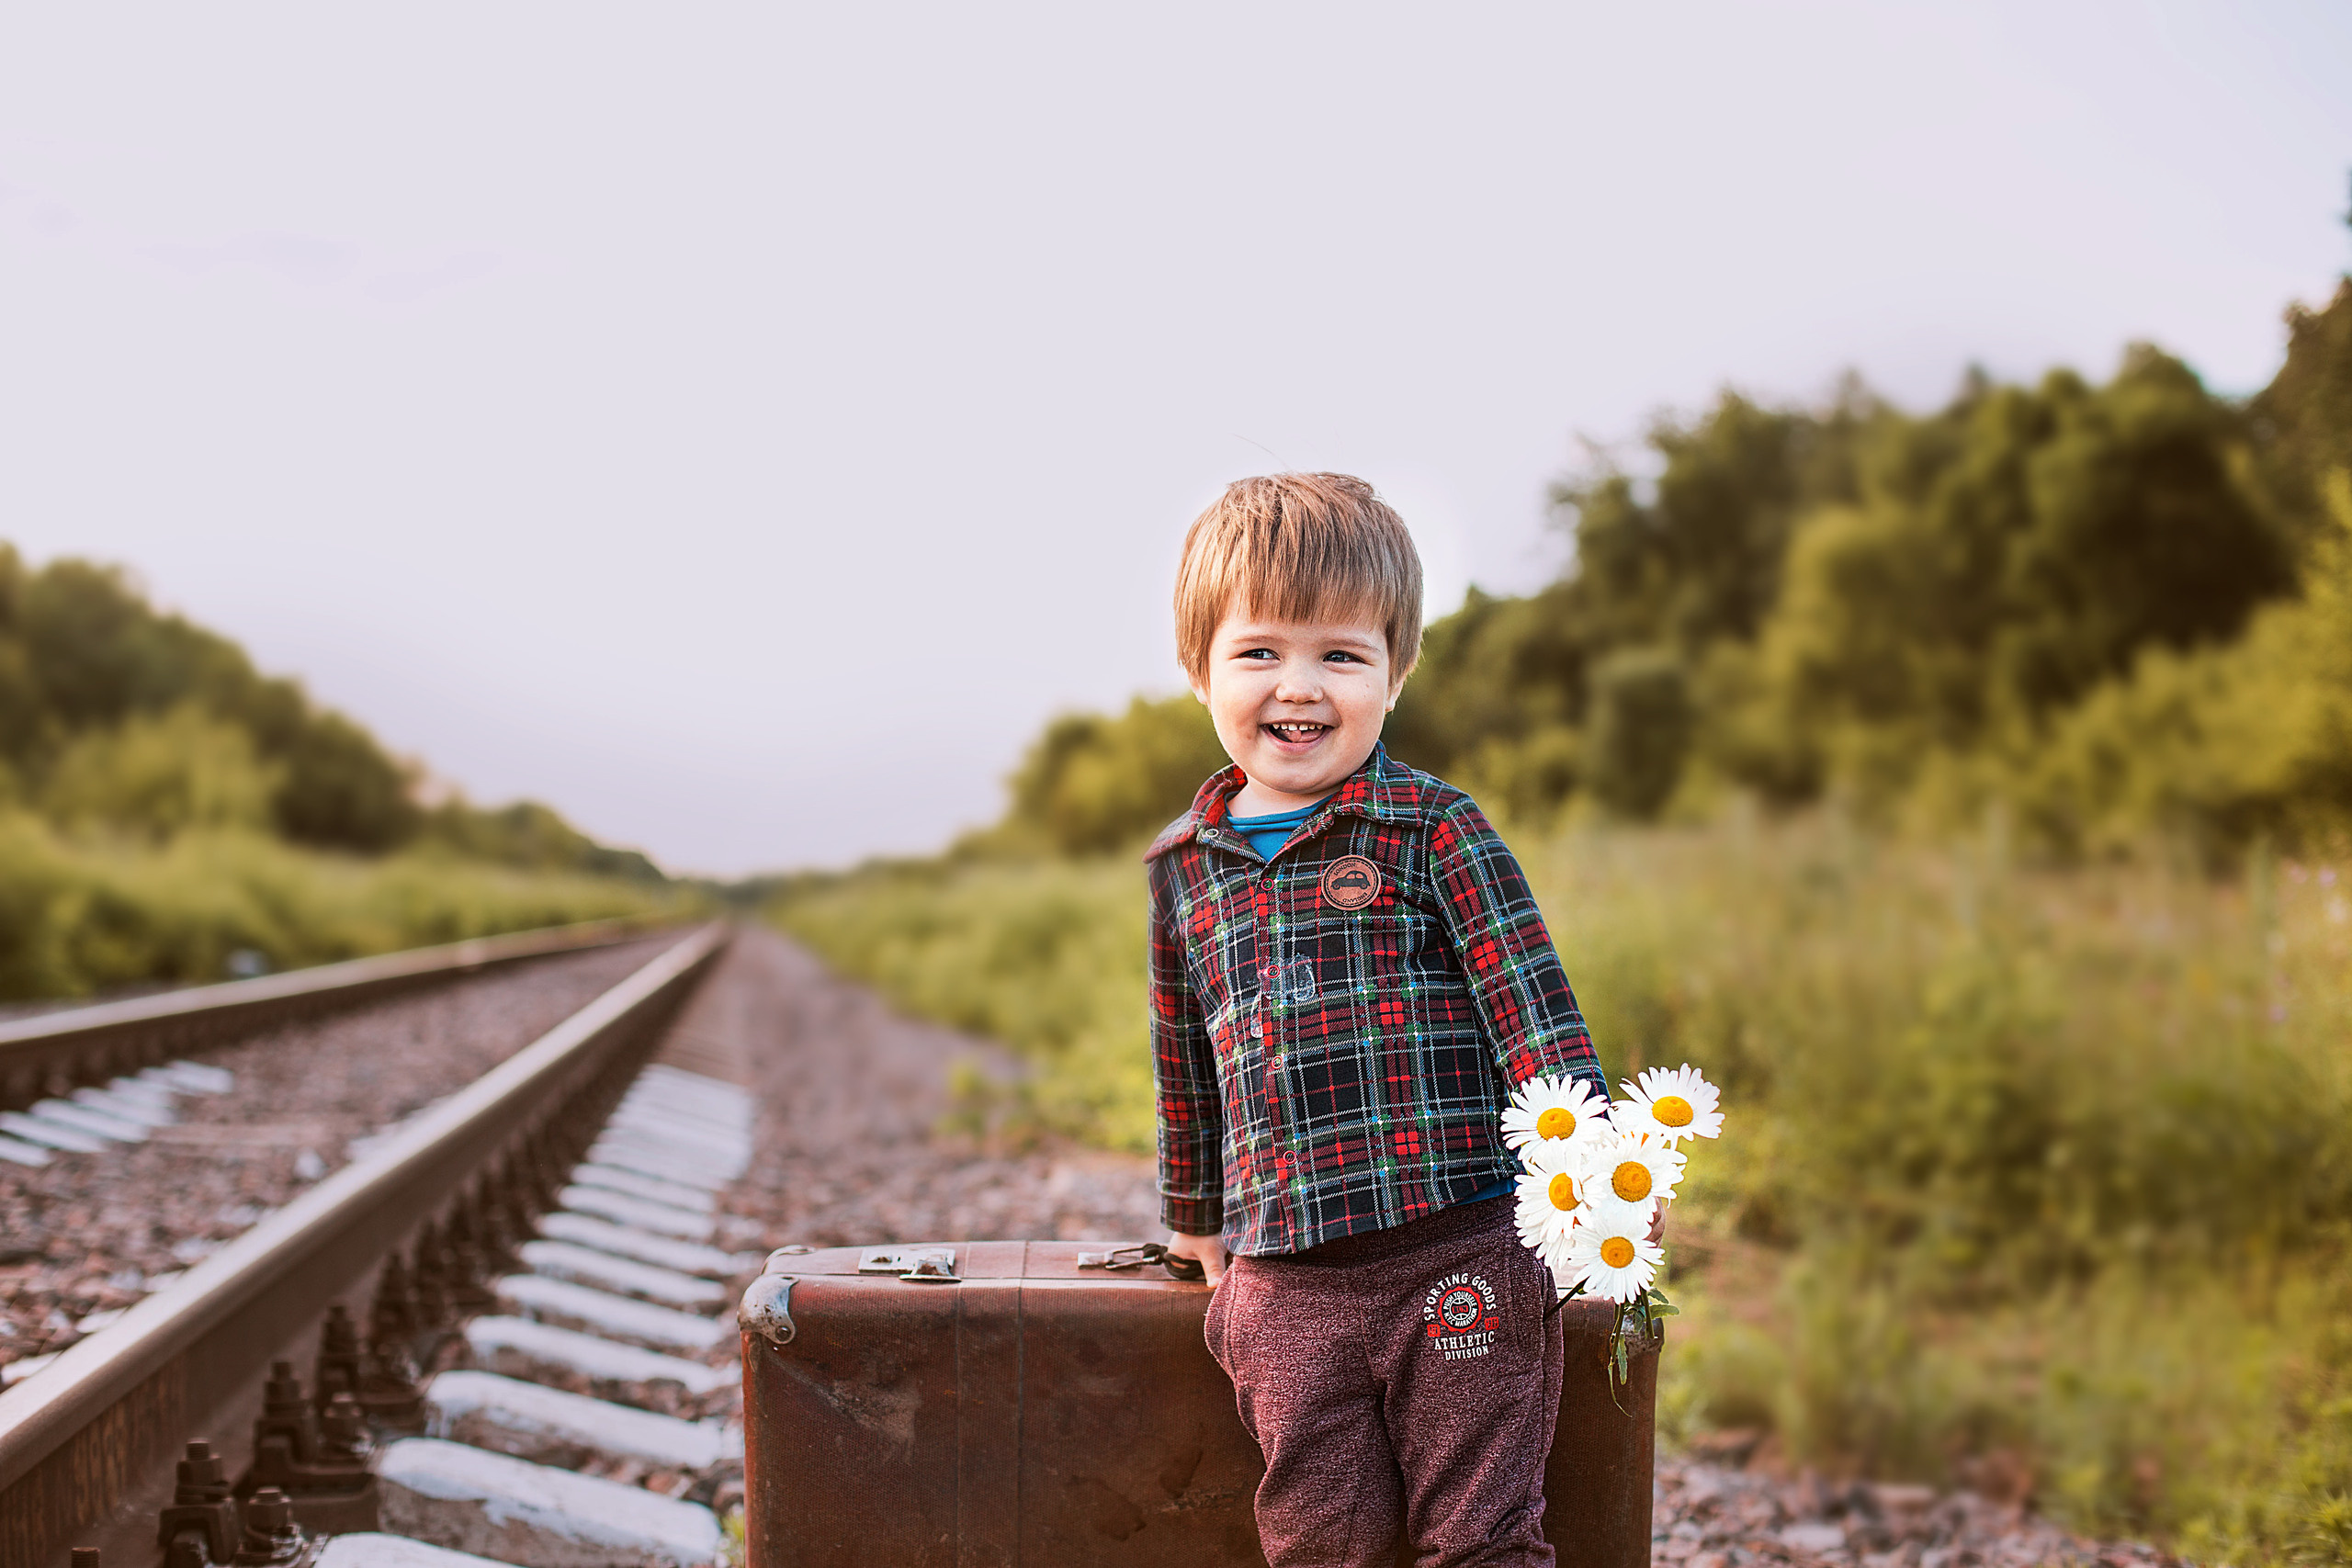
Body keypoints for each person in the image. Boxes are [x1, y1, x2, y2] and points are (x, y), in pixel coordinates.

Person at [1149, 472, 1610, 1568]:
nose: (1298, 686)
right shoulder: (1181, 868)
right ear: (1199, 667)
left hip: (1457, 1248)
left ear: (1394, 673)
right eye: (1259, 651)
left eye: (1340, 656)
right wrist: (1193, 1216)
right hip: (1283, 1280)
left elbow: (1530, 1008)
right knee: (1318, 1537)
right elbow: (1185, 1059)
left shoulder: (1433, 828)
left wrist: (1591, 1175)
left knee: (1479, 1532)